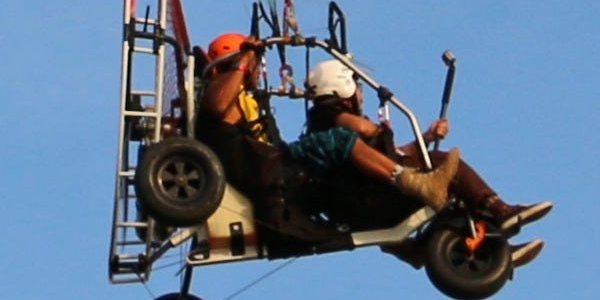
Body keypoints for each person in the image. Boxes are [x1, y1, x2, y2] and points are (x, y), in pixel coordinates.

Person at [305, 59, 551, 267]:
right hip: (367, 198)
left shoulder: (337, 128)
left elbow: (388, 159)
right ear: (342, 86)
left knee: (448, 197)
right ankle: (499, 210)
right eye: (357, 86)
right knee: (441, 163)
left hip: (367, 196)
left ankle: (492, 250)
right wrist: (375, 130)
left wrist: (427, 137)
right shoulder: (328, 119)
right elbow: (359, 131)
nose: (361, 93)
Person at [195, 33, 459, 209]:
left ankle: (406, 237)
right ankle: (414, 183)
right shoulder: (219, 94)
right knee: (340, 142)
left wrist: (425, 139)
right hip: (272, 170)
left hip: (274, 164)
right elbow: (218, 106)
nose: (255, 69)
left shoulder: (241, 98)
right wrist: (244, 60)